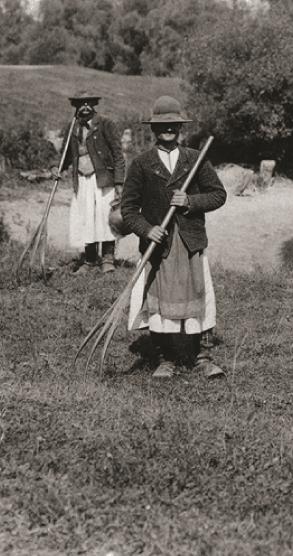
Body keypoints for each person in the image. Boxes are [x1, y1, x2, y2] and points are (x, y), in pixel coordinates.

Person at [120, 96, 228, 378]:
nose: (168, 128)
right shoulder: (142, 164)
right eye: (162, 124)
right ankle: (165, 359)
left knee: (198, 292)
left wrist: (190, 202)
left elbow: (218, 195)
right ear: (154, 129)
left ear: (180, 127)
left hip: (190, 240)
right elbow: (129, 209)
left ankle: (202, 357)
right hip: (160, 244)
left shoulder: (196, 158)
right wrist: (147, 229)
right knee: (160, 297)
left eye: (173, 123)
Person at [53, 92, 125, 273]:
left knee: (105, 216)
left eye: (88, 103)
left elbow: (118, 154)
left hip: (103, 179)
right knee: (86, 217)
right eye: (81, 104)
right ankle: (90, 259)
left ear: (94, 104)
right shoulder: (73, 127)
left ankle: (108, 259)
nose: (85, 106)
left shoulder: (105, 124)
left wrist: (119, 182)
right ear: (76, 107)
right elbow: (65, 155)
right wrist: (57, 168)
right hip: (82, 180)